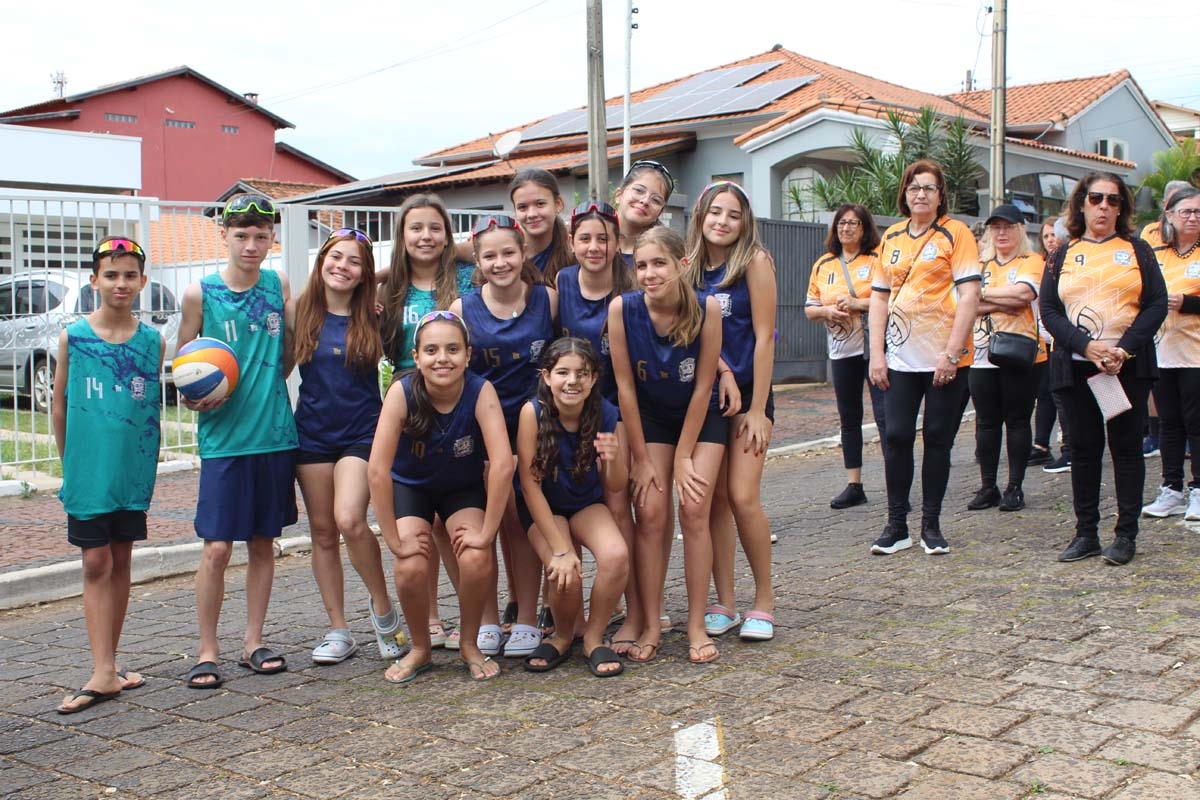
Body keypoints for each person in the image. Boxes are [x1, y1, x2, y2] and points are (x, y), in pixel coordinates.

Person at [177, 194, 298, 688]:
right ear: (224, 235)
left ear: (272, 239)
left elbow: (289, 352)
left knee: (263, 543)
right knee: (217, 549)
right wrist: (193, 395)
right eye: (242, 236)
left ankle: (253, 641)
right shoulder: (199, 294)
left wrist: (264, 387)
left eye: (261, 236)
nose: (251, 245)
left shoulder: (278, 284)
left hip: (273, 435)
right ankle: (207, 649)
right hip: (224, 441)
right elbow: (183, 364)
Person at [367, 311, 513, 682]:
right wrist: (392, 539)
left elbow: (501, 464)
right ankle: (420, 648)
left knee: (476, 557)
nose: (442, 358)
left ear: (468, 354)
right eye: (431, 350)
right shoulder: (402, 392)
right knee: (409, 564)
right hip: (411, 487)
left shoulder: (480, 391)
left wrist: (487, 532)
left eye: (452, 349)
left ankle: (469, 643)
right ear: (416, 357)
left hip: (460, 487)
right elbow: (377, 470)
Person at [51, 237, 163, 713]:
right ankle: (102, 670)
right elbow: (60, 406)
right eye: (111, 275)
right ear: (94, 280)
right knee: (95, 563)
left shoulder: (152, 341)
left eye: (130, 275)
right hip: (88, 472)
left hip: (131, 473)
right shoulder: (73, 338)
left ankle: (109, 667)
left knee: (120, 560)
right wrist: (71, 463)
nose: (121, 283)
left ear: (142, 282)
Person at [287, 228, 406, 664]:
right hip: (312, 434)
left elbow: (401, 273)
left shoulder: (374, 314)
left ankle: (384, 612)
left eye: (354, 261)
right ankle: (338, 630)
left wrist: (375, 280)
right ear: (321, 262)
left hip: (361, 432)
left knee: (350, 520)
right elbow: (278, 368)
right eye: (335, 257)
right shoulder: (299, 310)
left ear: (365, 273)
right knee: (322, 533)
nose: (342, 266)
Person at [608, 227, 726, 664]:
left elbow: (704, 386)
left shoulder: (706, 307)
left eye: (659, 263)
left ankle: (696, 624)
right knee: (651, 512)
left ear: (682, 264)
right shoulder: (622, 309)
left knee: (694, 508)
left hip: (700, 417)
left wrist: (683, 456)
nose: (649, 273)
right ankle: (652, 621)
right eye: (641, 265)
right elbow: (625, 388)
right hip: (651, 417)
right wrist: (641, 459)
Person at [1041, 173, 1167, 566]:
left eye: (1113, 200)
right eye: (1096, 198)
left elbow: (1157, 304)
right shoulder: (1062, 254)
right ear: (1081, 203)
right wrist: (1085, 346)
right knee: (1083, 450)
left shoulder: (1137, 250)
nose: (1104, 206)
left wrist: (1123, 349)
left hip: (1123, 369)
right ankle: (1086, 534)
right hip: (1077, 368)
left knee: (1126, 450)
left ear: (1122, 208)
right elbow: (1049, 310)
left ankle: (1126, 535)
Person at [451, 215, 557, 659]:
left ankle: (528, 618)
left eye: (509, 253)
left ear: (524, 253)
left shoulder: (548, 299)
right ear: (476, 261)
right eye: (490, 255)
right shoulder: (462, 309)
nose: (501, 263)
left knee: (522, 521)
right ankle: (489, 619)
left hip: (535, 427)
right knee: (487, 523)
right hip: (482, 431)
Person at [868, 159, 981, 556]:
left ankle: (930, 525)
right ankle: (896, 525)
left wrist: (952, 352)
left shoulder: (956, 233)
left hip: (945, 359)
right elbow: (878, 298)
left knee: (937, 438)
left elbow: (970, 295)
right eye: (914, 187)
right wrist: (877, 353)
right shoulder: (892, 236)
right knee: (897, 435)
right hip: (899, 358)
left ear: (940, 195)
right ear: (904, 193)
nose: (921, 194)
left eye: (929, 188)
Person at [377, 193, 475, 651]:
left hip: (458, 402)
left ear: (448, 235)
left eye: (435, 227)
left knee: (450, 523)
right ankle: (432, 618)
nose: (426, 236)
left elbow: (489, 254)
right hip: (410, 407)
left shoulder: (466, 277)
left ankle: (475, 617)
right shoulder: (389, 290)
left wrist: (463, 249)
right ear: (402, 235)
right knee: (422, 521)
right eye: (415, 228)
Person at [685, 181, 777, 642]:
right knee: (715, 501)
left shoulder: (754, 262)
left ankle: (765, 600)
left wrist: (758, 408)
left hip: (749, 394)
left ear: (745, 223)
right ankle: (725, 601)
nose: (722, 221)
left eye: (733, 214)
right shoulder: (689, 267)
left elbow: (765, 337)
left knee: (742, 496)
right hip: (707, 396)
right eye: (715, 212)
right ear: (701, 216)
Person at [516, 338, 629, 677]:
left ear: (593, 379)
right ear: (546, 376)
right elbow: (530, 486)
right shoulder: (532, 413)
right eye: (563, 372)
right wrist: (561, 549)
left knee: (616, 555)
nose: (572, 381)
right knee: (564, 569)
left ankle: (594, 636)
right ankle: (563, 635)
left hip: (584, 501)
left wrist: (613, 459)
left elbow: (615, 484)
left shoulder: (605, 413)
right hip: (544, 505)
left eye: (582, 373)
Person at [557, 201, 641, 653]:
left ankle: (634, 611)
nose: (594, 247)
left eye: (603, 238)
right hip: (572, 412)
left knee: (618, 504)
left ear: (617, 243)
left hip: (617, 411)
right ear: (571, 243)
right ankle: (568, 613)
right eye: (585, 238)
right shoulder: (562, 283)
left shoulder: (631, 284)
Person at [966, 204, 1047, 513]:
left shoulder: (1032, 261)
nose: (1001, 233)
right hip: (981, 354)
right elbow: (964, 302)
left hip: (1021, 352)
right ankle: (988, 486)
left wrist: (983, 295)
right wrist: (1002, 300)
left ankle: (1015, 486)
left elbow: (1024, 294)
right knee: (986, 422)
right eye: (996, 227)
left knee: (1017, 420)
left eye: (1008, 227)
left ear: (1020, 230)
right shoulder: (979, 264)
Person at [806, 203, 888, 508]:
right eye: (841, 223)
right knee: (849, 417)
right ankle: (854, 484)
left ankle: (896, 481)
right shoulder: (824, 264)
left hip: (874, 348)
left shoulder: (878, 259)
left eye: (853, 223)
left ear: (865, 228)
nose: (846, 228)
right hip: (841, 351)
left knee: (884, 416)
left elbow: (890, 300)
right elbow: (810, 308)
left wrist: (857, 304)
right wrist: (828, 311)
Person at [1142, 187, 1200, 519]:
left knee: (1196, 422)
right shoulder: (1157, 254)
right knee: (1169, 422)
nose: (1192, 218)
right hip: (1163, 351)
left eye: (1198, 212)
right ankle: (1171, 488)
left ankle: (1198, 490)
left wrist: (1187, 303)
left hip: (1196, 353)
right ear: (1170, 216)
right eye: (1186, 211)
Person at [1030, 216, 1070, 469]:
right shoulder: (1040, 264)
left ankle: (1069, 447)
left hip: (1064, 339)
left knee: (1061, 395)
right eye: (1045, 236)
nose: (1050, 240)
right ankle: (1042, 444)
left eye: (1054, 234)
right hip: (1042, 340)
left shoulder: (1068, 264)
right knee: (1046, 393)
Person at [507, 169, 575, 282]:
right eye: (522, 207)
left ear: (558, 204)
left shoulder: (574, 255)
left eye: (540, 204)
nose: (532, 214)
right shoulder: (504, 253)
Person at [614, 160, 674, 265]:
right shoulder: (593, 241)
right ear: (619, 195)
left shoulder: (664, 254)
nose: (645, 201)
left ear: (660, 212)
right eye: (639, 190)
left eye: (656, 200)